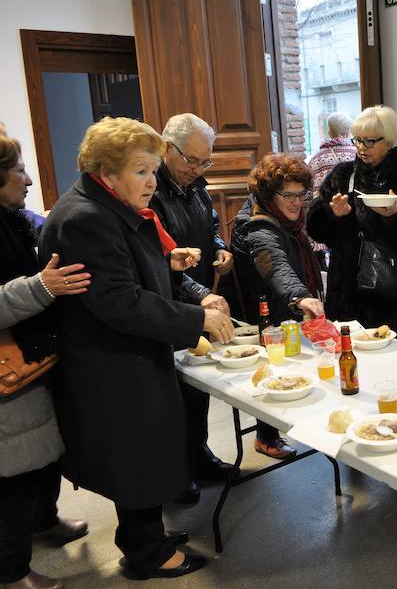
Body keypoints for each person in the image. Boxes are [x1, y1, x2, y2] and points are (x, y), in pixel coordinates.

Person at [38, 117, 234, 579]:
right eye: (142, 171)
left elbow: (118, 269)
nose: (152, 181)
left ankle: (147, 535)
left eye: (153, 169)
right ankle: (145, 552)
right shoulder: (85, 218)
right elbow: (119, 302)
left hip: (124, 354)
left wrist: (164, 260)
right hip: (110, 360)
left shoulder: (102, 207)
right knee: (135, 453)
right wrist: (197, 318)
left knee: (144, 448)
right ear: (108, 173)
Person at [0, 137, 90, 589]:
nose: (29, 178)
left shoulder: (14, 221)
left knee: (43, 454)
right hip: (7, 373)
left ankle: (44, 521)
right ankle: (12, 572)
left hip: (32, 357)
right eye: (18, 169)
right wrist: (41, 287)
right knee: (15, 471)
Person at [150, 113, 235, 504]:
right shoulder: (150, 192)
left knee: (198, 385)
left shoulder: (197, 187)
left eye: (206, 162)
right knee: (172, 392)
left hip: (194, 297)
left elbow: (210, 224)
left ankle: (198, 455)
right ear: (168, 148)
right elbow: (160, 259)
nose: (198, 169)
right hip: (168, 301)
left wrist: (218, 245)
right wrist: (203, 294)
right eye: (191, 160)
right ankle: (175, 471)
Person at [307, 105, 397, 341]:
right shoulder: (342, 174)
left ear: (388, 140)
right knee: (349, 362)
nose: (360, 148)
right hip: (345, 290)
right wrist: (333, 214)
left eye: (369, 141)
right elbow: (315, 229)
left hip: (392, 293)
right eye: (356, 140)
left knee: (396, 361)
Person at [231, 154, 325, 459]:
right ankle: (266, 436)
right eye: (288, 195)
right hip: (266, 310)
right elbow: (274, 264)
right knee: (271, 369)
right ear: (269, 194)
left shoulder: (284, 220)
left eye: (301, 195)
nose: (297, 203)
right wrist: (299, 296)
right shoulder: (257, 228)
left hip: (281, 308)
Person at [308, 112, 357, 196]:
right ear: (349, 131)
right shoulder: (357, 154)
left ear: (329, 132)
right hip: (349, 204)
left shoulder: (316, 157)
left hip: (322, 206)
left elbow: (309, 185)